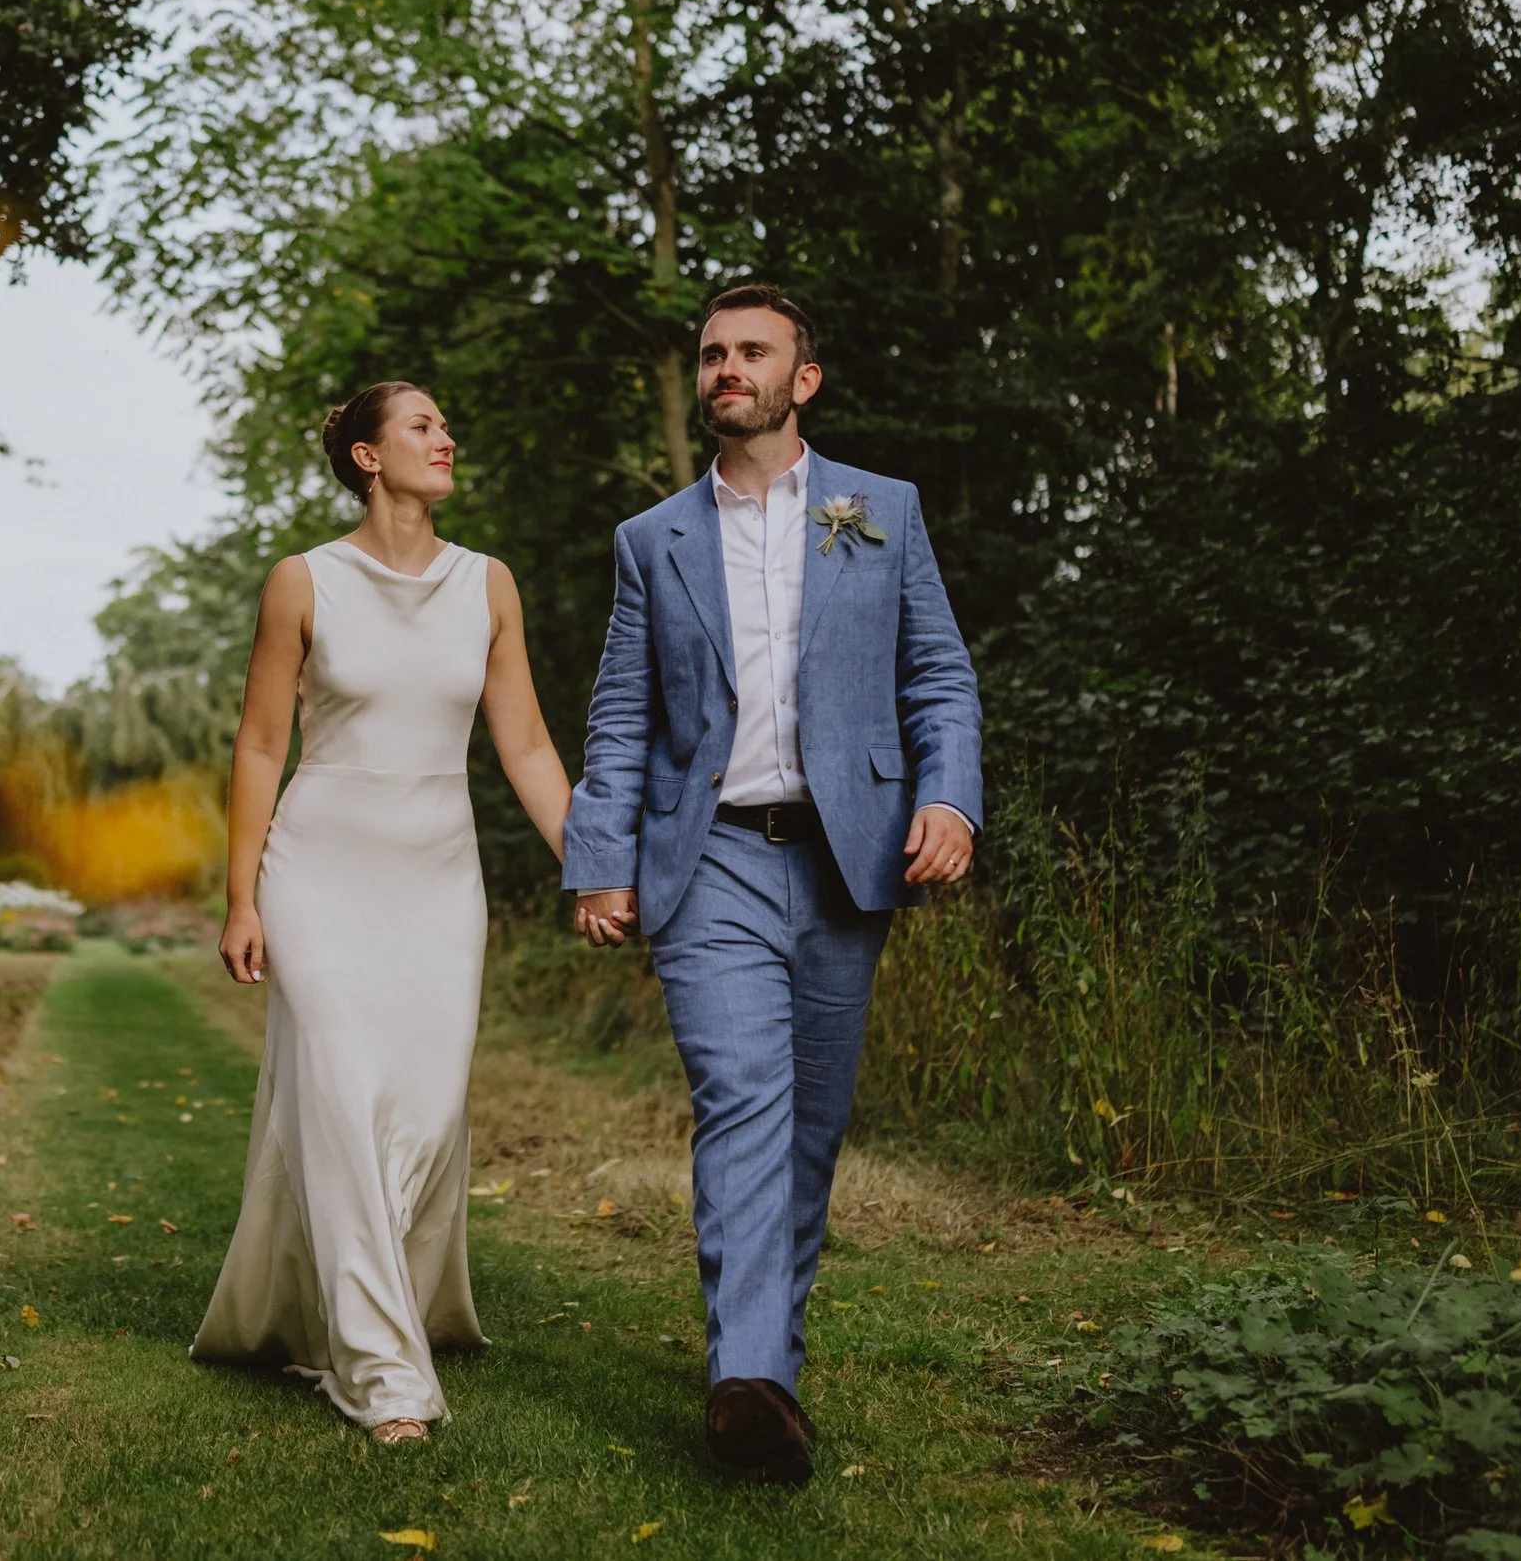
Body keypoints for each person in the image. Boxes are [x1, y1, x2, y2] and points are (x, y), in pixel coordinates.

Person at [564, 283, 983, 1484]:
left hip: (849, 860)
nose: (725, 369)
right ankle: (743, 1382)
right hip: (709, 862)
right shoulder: (654, 539)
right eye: (711, 354)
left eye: (752, 352)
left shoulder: (879, 511)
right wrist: (600, 859)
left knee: (811, 1123)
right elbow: (622, 714)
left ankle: (769, 1368)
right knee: (744, 1097)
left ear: (804, 379)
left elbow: (939, 674)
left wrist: (946, 797)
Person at [190, 381, 574, 1444]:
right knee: (344, 1098)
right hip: (317, 873)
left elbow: (529, 747)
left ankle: (344, 1309)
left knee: (424, 1109)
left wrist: (595, 863)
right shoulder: (302, 580)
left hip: (439, 885)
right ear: (367, 456)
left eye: (448, 423)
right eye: (422, 425)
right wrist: (240, 896)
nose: (446, 437)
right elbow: (262, 744)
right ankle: (378, 1369)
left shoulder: (487, 585)